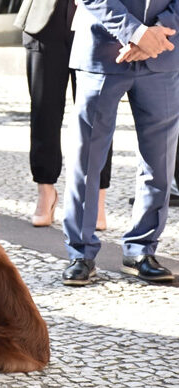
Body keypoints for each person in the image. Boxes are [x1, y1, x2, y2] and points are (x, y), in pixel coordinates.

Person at [61, 0, 179, 286]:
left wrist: (161, 30)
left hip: (164, 53)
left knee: (159, 159)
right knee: (87, 158)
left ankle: (141, 250)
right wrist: (136, 33)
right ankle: (80, 254)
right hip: (102, 49)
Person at [14, 0, 113, 230]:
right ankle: (45, 191)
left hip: (98, 19)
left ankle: (97, 198)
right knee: (44, 113)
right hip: (45, 20)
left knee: (98, 115)